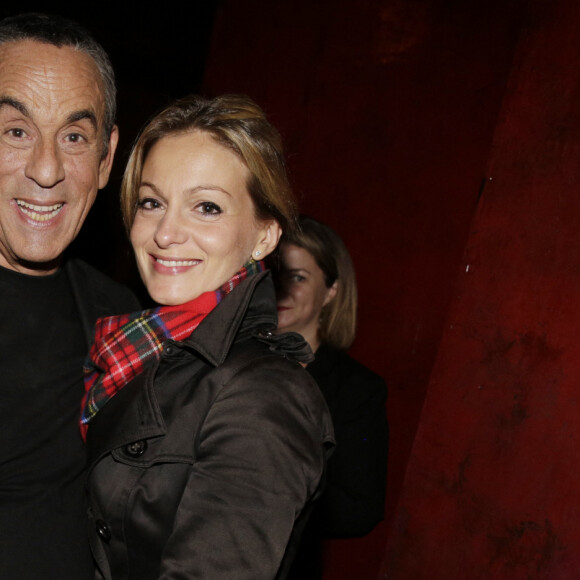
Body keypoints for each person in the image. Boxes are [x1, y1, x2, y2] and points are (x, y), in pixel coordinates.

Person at [80, 94, 335, 580]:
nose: (166, 233)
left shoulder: (265, 395)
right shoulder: (137, 349)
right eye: (152, 202)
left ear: (264, 236)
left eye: (207, 207)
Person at [0, 13, 140, 580]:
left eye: (74, 137)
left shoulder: (124, 320)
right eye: (15, 131)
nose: (47, 169)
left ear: (106, 159)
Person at [274, 215, 389, 579]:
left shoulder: (356, 390)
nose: (282, 289)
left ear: (331, 290)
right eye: (273, 275)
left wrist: (273, 490)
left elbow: (360, 507)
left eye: (298, 277)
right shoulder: (225, 355)